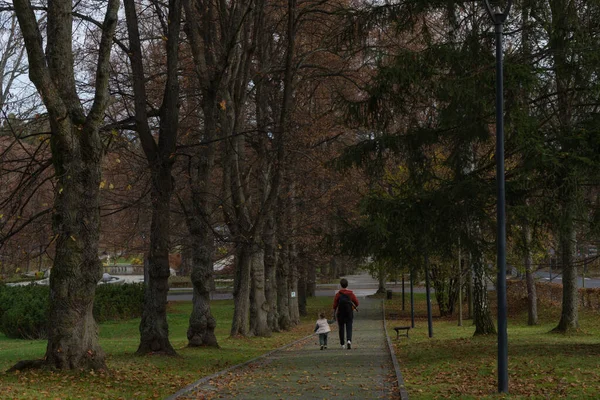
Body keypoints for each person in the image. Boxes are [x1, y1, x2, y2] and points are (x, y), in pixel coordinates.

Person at [332, 278, 359, 349]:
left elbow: (335, 305)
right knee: (349, 326)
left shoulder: (338, 294)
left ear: (340, 285)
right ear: (347, 285)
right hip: (349, 312)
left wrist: (334, 313)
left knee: (341, 328)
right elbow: (357, 303)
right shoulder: (351, 294)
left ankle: (342, 344)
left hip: (340, 313)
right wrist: (353, 307)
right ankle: (349, 340)